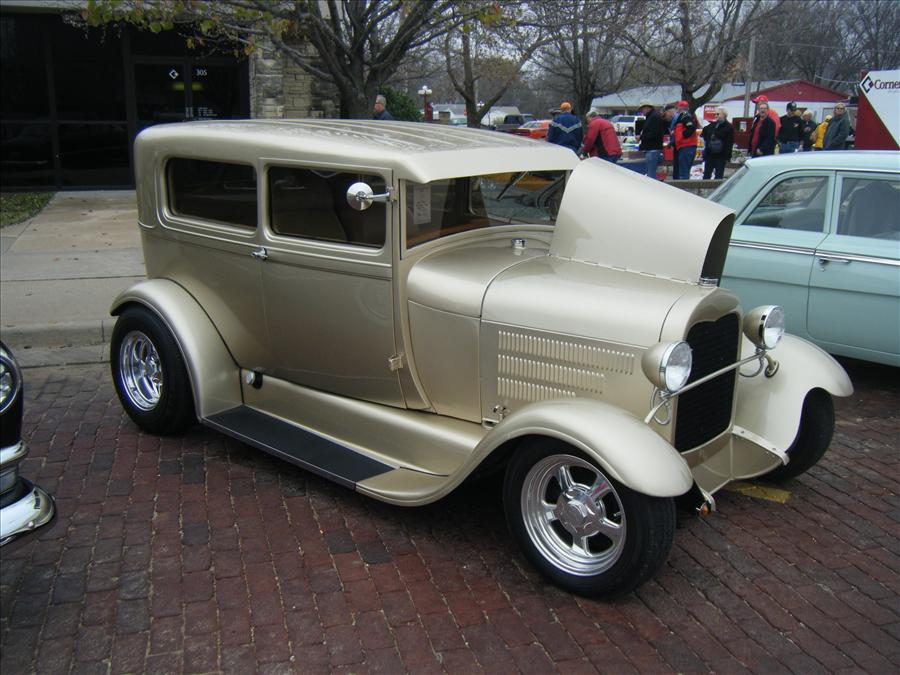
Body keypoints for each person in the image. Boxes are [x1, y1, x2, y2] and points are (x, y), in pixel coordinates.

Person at [701, 107, 734, 179]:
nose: (716, 116)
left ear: (724, 115)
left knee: (719, 175)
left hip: (721, 155)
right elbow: (704, 132)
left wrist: (728, 156)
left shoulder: (729, 127)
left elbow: (729, 143)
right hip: (710, 154)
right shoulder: (712, 125)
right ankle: (704, 186)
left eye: (718, 114)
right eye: (715, 114)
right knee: (706, 174)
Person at [636, 100, 664, 179]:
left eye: (642, 109)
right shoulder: (652, 116)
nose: (641, 111)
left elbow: (653, 133)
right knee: (650, 173)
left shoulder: (654, 117)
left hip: (653, 149)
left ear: (647, 107)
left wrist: (641, 137)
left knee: (651, 175)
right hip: (652, 149)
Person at [672, 100, 698, 180]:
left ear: (680, 108)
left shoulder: (685, 117)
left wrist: (682, 136)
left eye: (678, 107)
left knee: (683, 172)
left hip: (686, 146)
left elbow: (691, 128)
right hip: (684, 146)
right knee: (683, 171)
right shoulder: (684, 117)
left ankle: (683, 186)